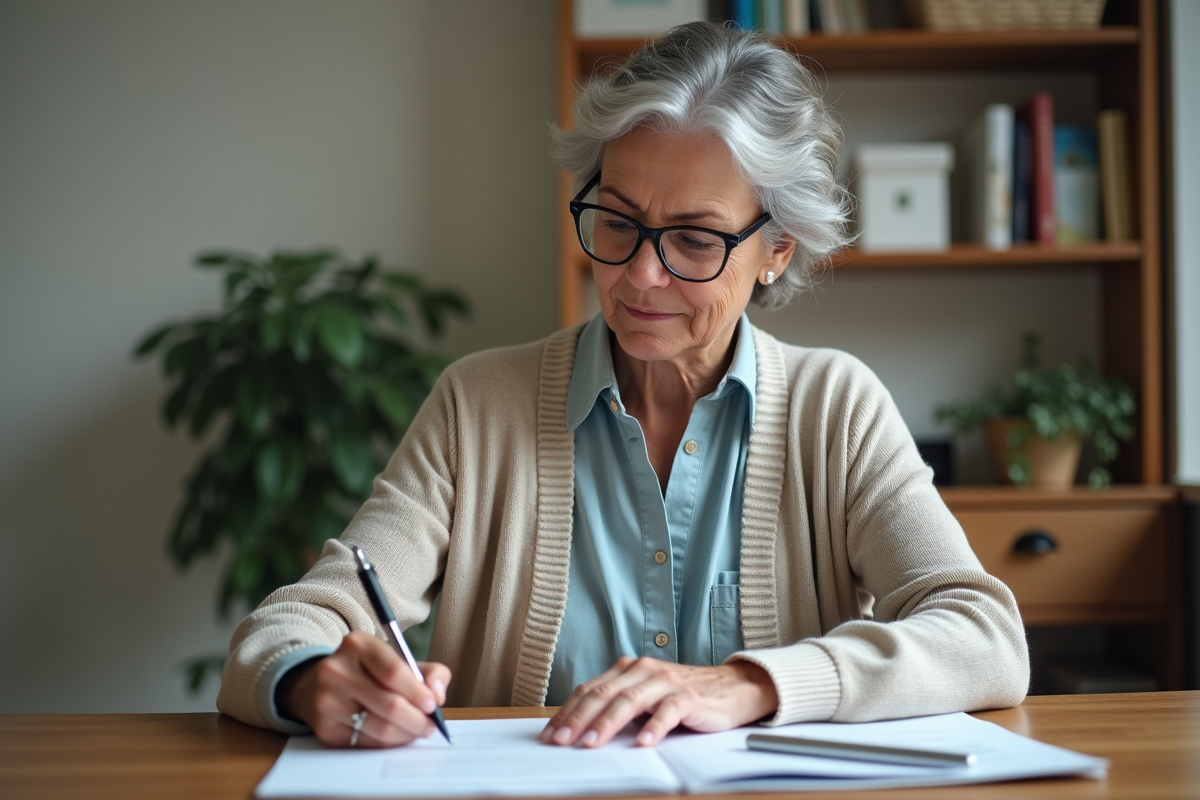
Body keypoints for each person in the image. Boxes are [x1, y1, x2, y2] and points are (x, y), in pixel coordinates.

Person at [216, 20, 1028, 750]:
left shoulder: (836, 407)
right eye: (617, 220)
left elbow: (984, 637)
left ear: (776, 249)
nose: (641, 274)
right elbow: (288, 626)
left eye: (696, 239)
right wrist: (315, 681)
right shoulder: (478, 405)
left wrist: (749, 685)